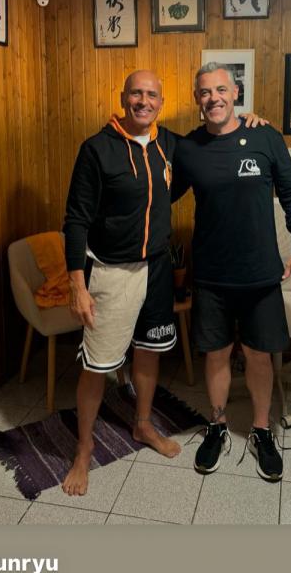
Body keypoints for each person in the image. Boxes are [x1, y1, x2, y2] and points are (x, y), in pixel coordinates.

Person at [61, 69, 265, 496]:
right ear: (123, 97)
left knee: (149, 351)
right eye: (136, 93)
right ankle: (83, 449)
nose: (144, 101)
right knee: (97, 365)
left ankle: (142, 424)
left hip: (156, 268)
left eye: (152, 95)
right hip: (112, 271)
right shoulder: (96, 149)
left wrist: (250, 122)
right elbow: (75, 220)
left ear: (161, 102)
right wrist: (77, 284)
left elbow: (214, 137)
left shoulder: (170, 144)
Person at [172, 63, 291, 483]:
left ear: (235, 93)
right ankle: (216, 426)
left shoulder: (265, 137)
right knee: (216, 354)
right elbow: (161, 193)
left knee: (258, 355)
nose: (213, 98)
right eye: (204, 92)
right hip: (211, 275)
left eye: (220, 89)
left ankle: (261, 430)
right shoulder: (189, 148)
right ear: (197, 100)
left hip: (259, 274)